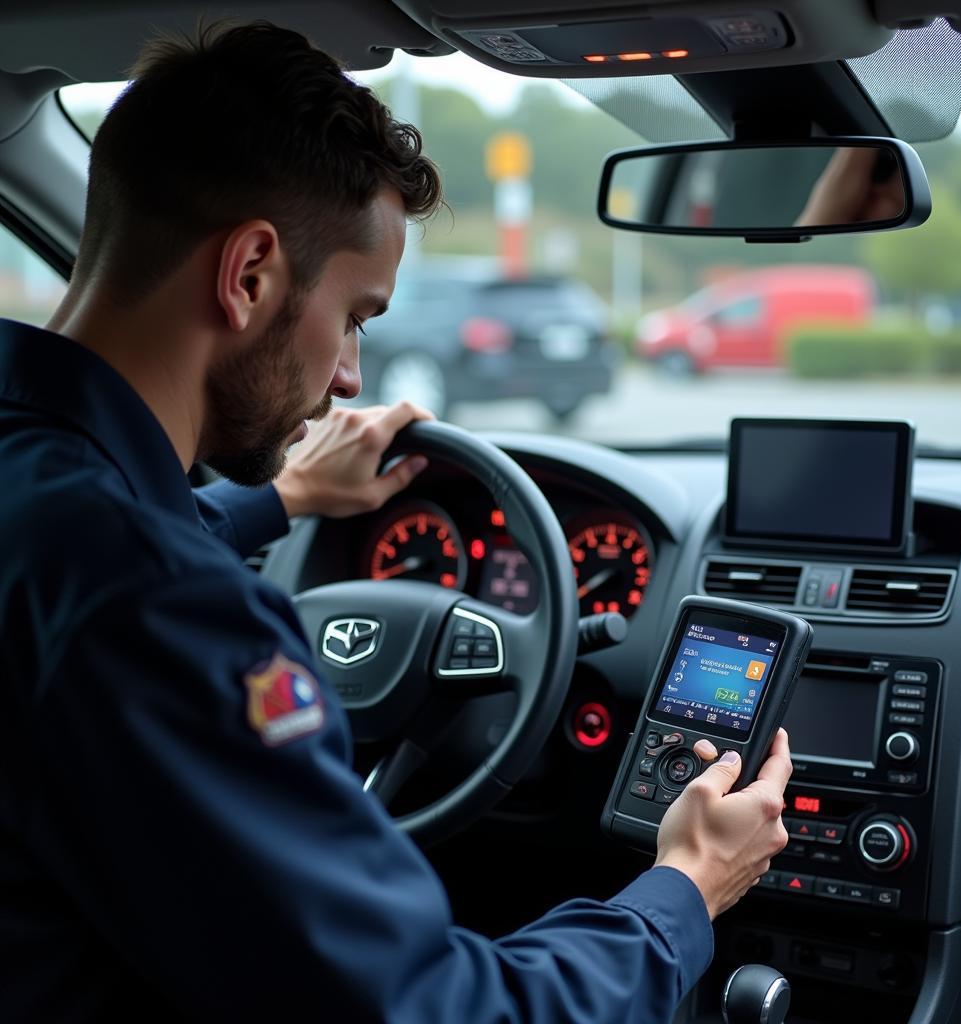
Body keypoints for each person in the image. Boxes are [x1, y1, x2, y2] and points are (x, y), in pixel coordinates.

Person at [0, 20, 790, 1023]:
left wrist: (279, 498)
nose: (349, 379)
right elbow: (434, 1006)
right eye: (357, 316)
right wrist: (684, 887)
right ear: (248, 274)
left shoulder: (59, 508)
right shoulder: (171, 614)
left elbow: (86, 537)